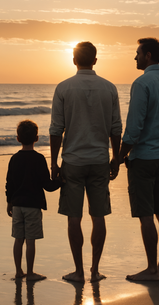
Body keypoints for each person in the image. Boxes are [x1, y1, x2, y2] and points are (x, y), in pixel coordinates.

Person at [50, 41, 122, 283]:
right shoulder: (109, 88)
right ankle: (94, 270)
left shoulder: (63, 88)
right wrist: (116, 158)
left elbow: (56, 130)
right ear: (95, 60)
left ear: (73, 60)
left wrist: (53, 163)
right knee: (98, 215)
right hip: (100, 159)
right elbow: (115, 129)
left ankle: (79, 271)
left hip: (73, 159)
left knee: (74, 216)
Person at [118, 37, 159, 281]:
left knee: (146, 215)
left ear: (148, 56)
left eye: (137, 53)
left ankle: (151, 269)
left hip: (144, 157)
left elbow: (134, 126)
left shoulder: (142, 83)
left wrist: (121, 156)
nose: (134, 57)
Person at [6, 120, 60, 281]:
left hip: (17, 205)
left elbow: (9, 183)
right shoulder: (39, 159)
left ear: (18, 138)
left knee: (18, 239)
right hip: (33, 206)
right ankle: (30, 273)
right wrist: (61, 180)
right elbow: (47, 185)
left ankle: (18, 271)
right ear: (36, 138)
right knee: (30, 241)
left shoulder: (14, 159)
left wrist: (9, 201)